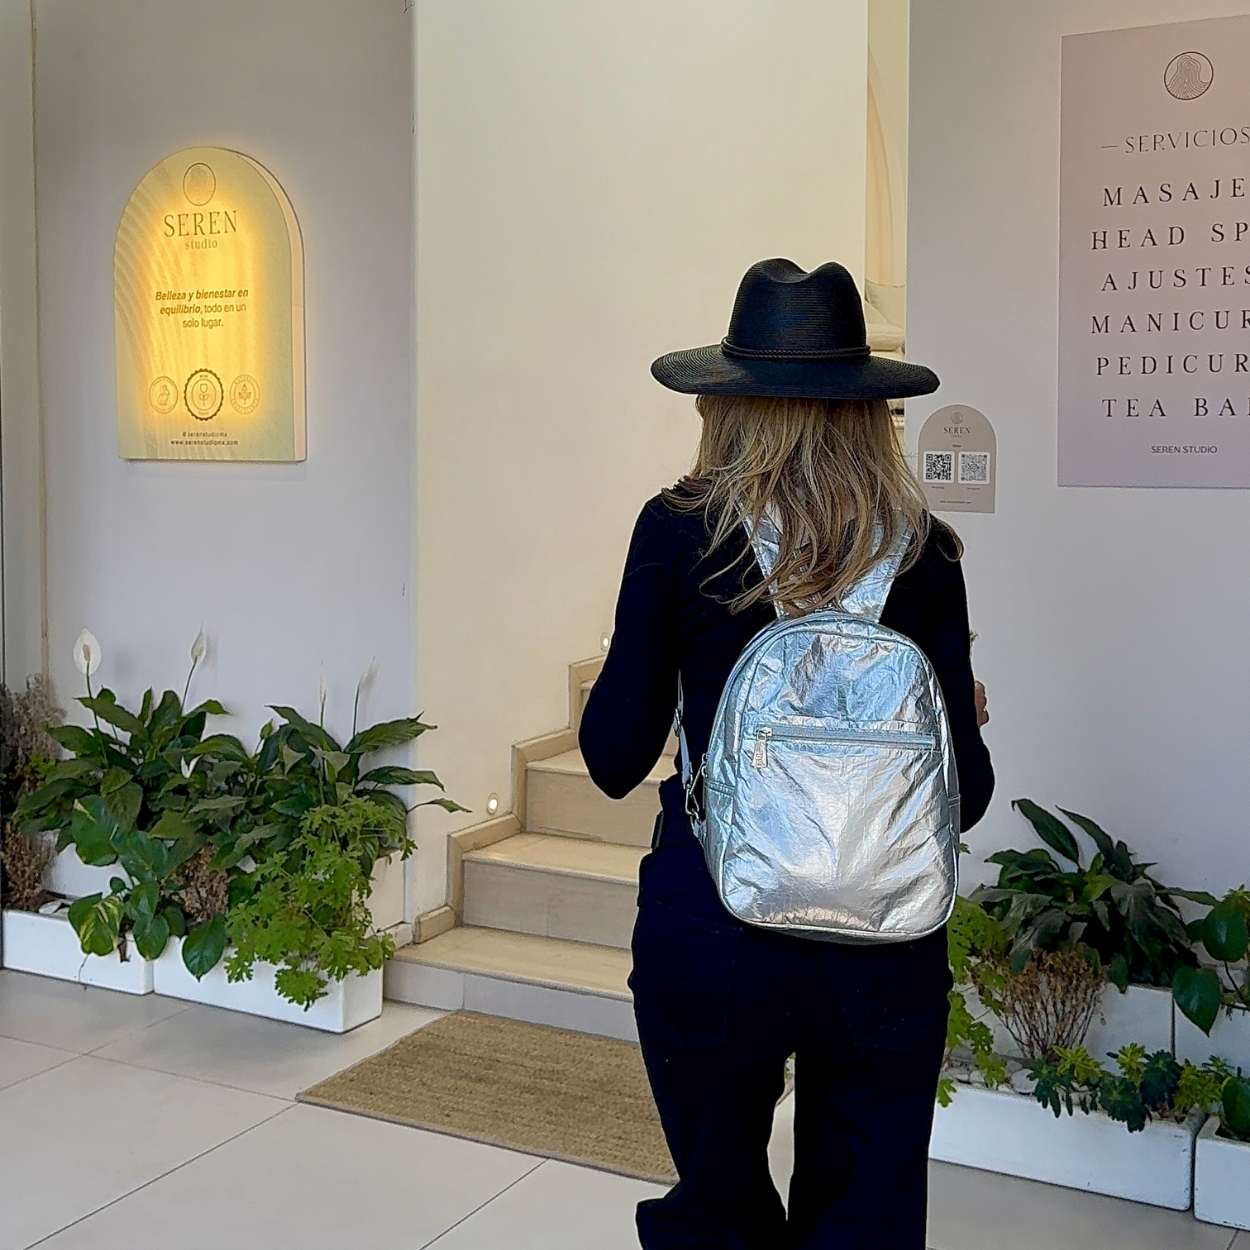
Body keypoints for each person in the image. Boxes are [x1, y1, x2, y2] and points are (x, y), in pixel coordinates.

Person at [579, 258, 994, 1250]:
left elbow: (609, 751)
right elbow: (965, 798)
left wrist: (654, 669)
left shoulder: (680, 531)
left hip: (715, 921)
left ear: (724, 402)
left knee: (717, 1207)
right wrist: (954, 726)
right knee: (865, 1211)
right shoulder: (923, 549)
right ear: (864, 408)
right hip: (886, 931)